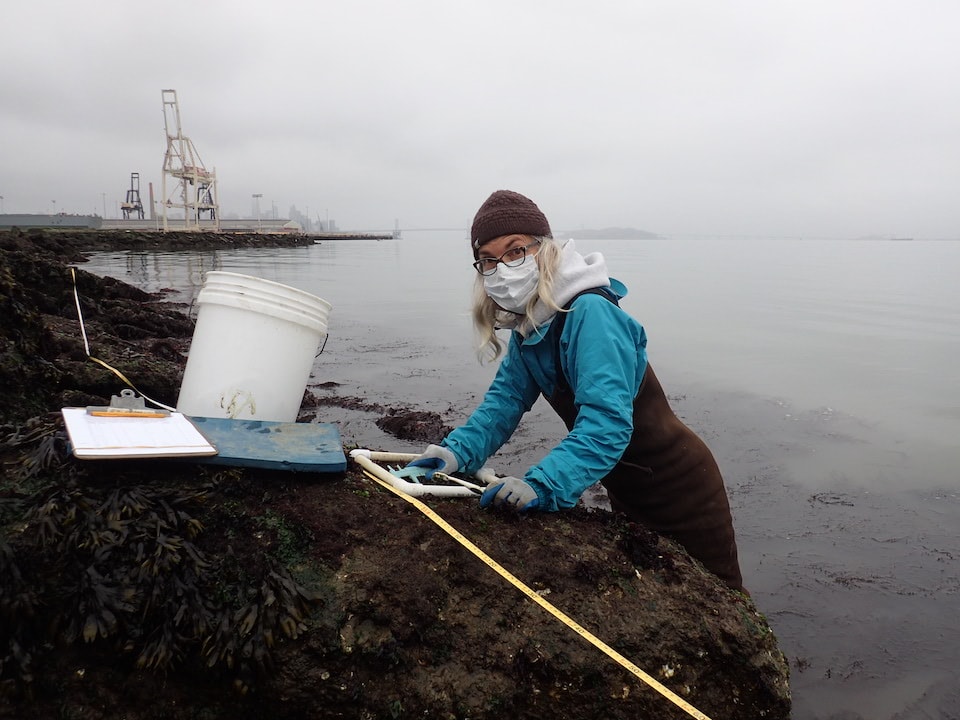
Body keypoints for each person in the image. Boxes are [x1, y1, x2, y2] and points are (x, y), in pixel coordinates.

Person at [409, 190, 745, 593]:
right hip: (624, 483)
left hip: (680, 488)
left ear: (545, 248)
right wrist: (457, 452)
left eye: (516, 251)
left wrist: (544, 484)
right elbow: (504, 402)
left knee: (717, 594)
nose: (502, 268)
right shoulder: (531, 324)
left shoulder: (592, 313)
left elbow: (606, 425)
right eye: (489, 260)